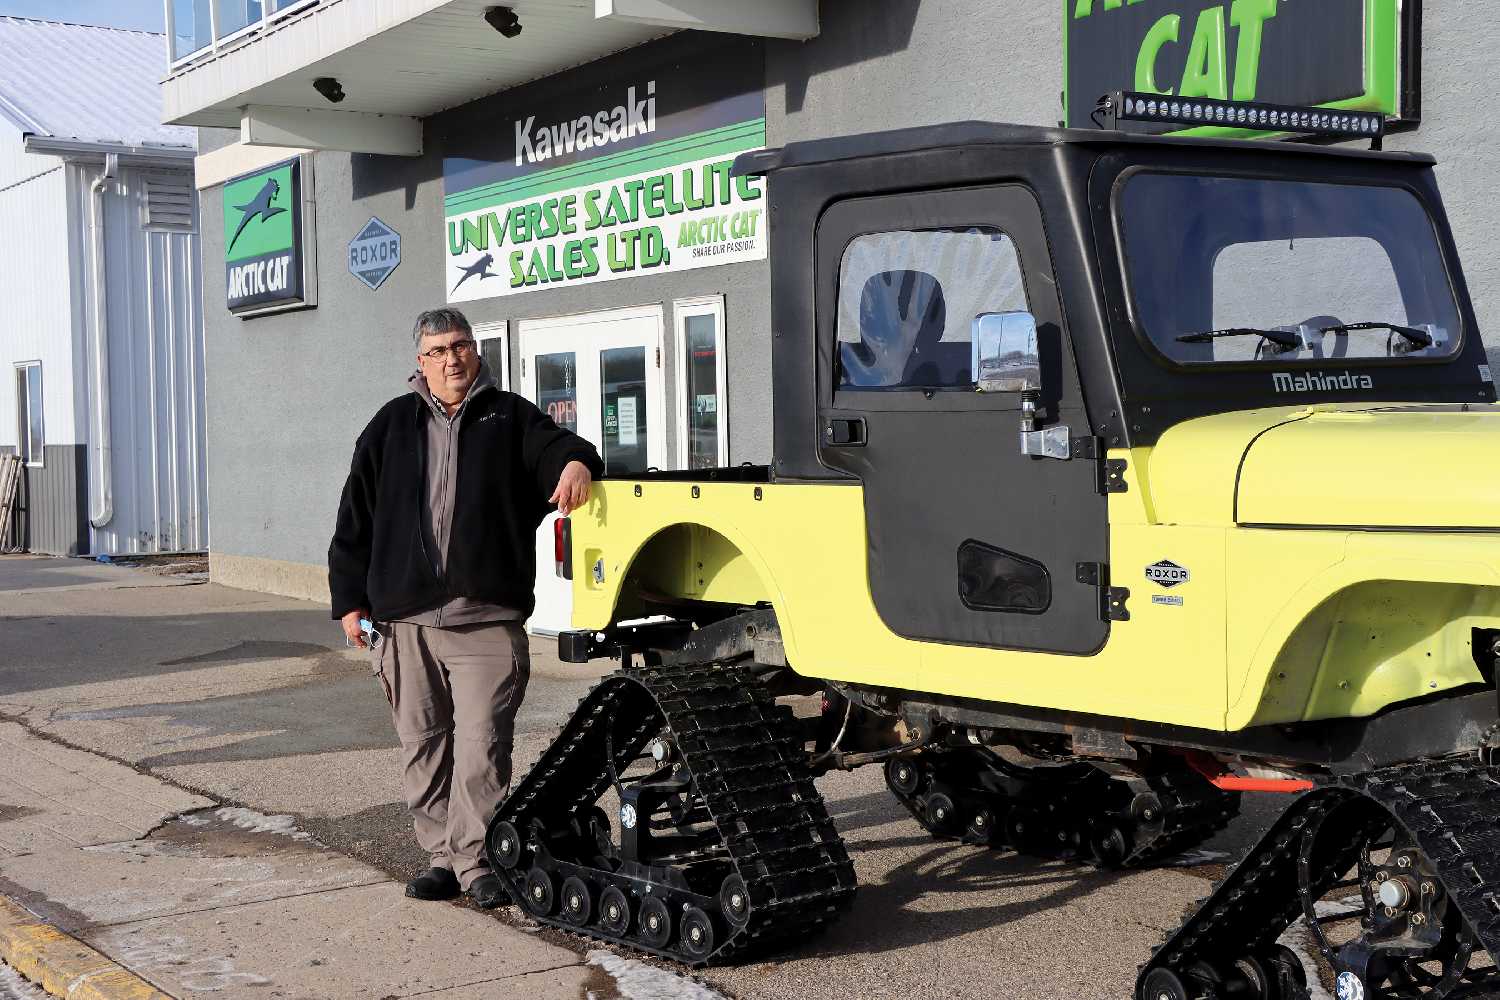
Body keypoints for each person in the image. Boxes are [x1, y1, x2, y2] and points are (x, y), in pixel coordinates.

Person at [328, 307, 602, 907]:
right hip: (404, 622)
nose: (451, 358)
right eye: (438, 351)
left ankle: (476, 864)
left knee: (481, 746)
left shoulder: (509, 417)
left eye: (460, 346)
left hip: (485, 620)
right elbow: (356, 517)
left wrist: (578, 464)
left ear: (475, 352)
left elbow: (562, 446)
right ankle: (442, 860)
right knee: (424, 747)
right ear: (420, 363)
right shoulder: (391, 426)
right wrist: (349, 600)